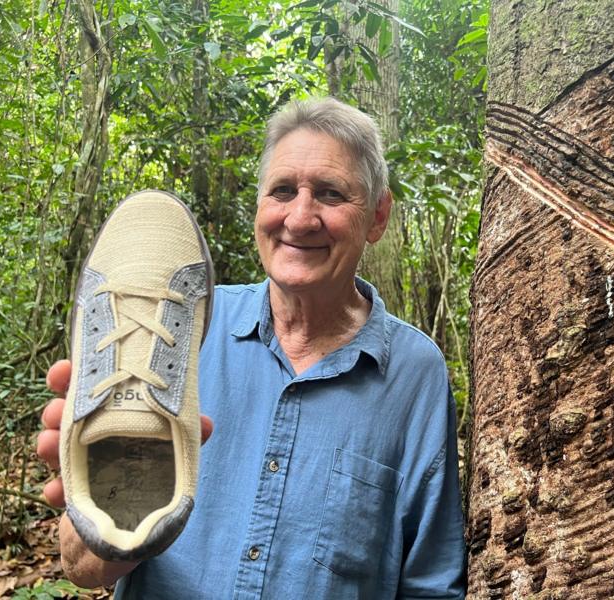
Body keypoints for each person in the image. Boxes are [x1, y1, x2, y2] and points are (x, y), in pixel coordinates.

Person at [37, 97, 466, 598]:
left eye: (330, 194)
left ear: (377, 215)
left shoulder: (414, 374)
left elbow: (429, 584)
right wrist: (109, 519)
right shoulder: (179, 331)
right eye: (283, 191)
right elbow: (81, 567)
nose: (300, 218)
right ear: (259, 206)